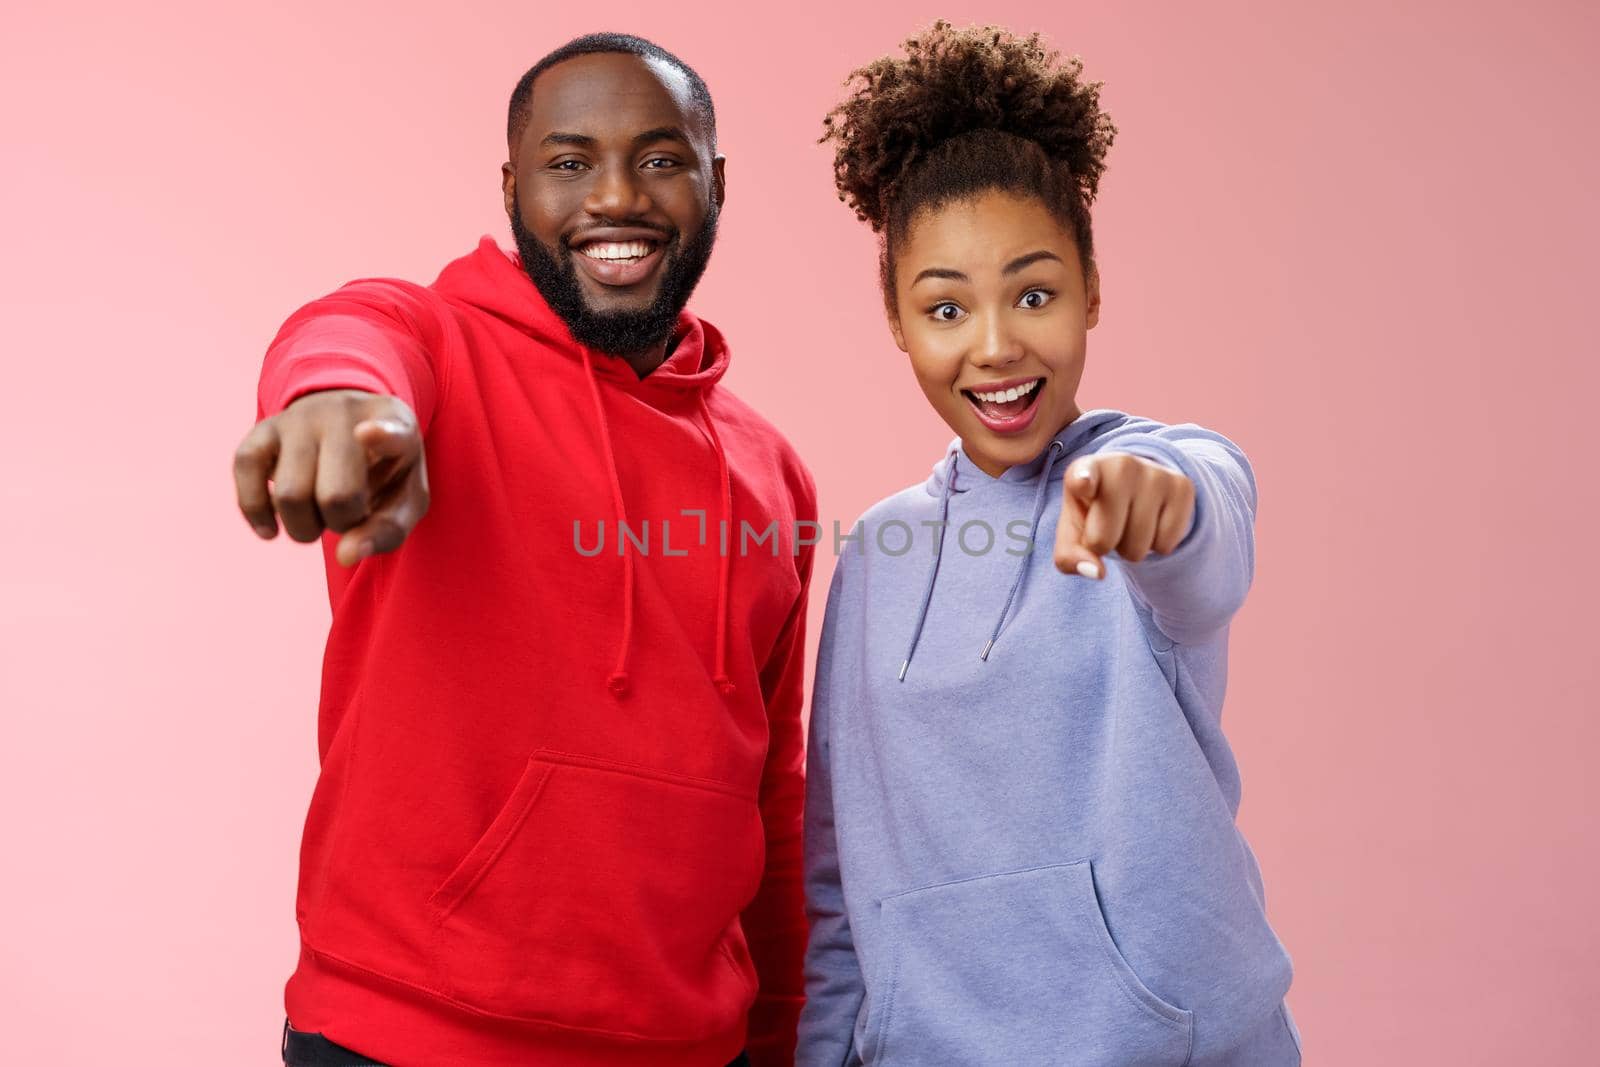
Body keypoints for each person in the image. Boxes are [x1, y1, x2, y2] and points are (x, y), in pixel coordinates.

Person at [233, 33, 814, 1067]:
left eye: (661, 159)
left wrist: (776, 1040)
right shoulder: (439, 349)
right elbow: (351, 329)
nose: (616, 196)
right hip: (404, 1037)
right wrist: (336, 402)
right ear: (512, 187)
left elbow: (771, 793)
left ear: (715, 182)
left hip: (694, 1046)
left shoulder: (774, 473)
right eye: (568, 161)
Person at [796, 22, 1300, 1066]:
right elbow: (840, 886)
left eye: (1034, 293)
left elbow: (1205, 535)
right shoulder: (877, 556)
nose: (994, 345)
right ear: (896, 319)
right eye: (945, 306)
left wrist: (1150, 505)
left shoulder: (1149, 468)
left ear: (1091, 290)